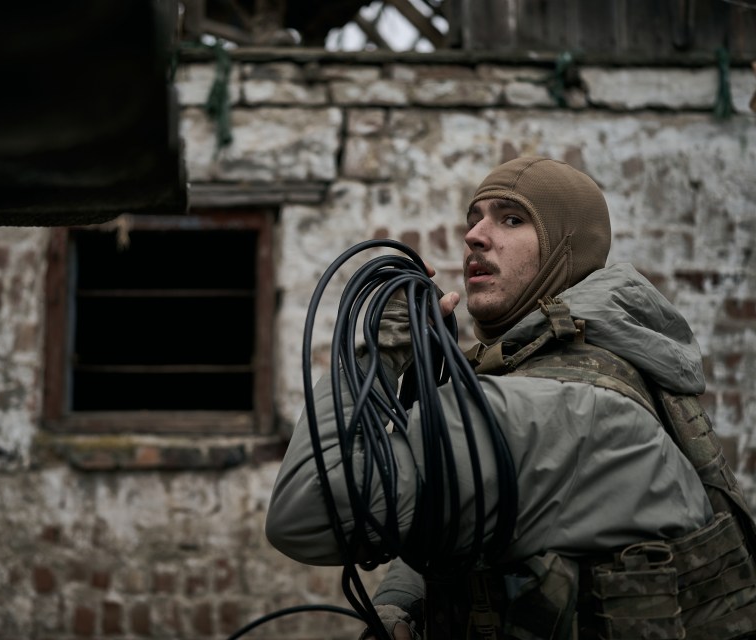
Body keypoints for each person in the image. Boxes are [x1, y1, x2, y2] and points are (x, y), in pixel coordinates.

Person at [265, 157, 754, 639]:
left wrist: (380, 350)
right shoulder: (598, 360)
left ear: (567, 247)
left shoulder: (546, 408)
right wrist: (401, 602)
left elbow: (307, 507)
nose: (474, 236)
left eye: (512, 219)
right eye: (473, 219)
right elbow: (466, 507)